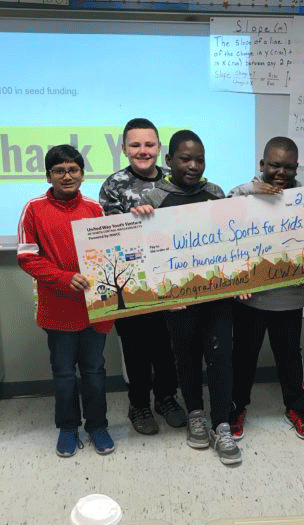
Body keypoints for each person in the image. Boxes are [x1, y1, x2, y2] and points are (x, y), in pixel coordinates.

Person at [131, 130, 241, 466]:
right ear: (169, 161)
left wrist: (239, 278)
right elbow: (143, 252)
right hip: (177, 300)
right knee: (187, 357)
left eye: (199, 159)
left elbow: (231, 240)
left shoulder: (216, 193)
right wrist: (139, 220)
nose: (193, 166)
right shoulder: (154, 197)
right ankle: (195, 414)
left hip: (218, 296)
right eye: (185, 159)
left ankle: (222, 423)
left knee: (221, 358)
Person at [17, 144, 115, 457]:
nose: (67, 175)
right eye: (59, 170)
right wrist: (63, 277)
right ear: (49, 176)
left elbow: (109, 254)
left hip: (94, 310)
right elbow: (27, 257)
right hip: (57, 310)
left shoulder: (95, 209)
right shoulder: (33, 209)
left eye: (73, 169)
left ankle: (98, 425)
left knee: (95, 372)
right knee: (62, 374)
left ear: (83, 174)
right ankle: (68, 427)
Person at [99, 118, 186, 435]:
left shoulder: (174, 179)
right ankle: (139, 405)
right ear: (124, 148)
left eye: (149, 144)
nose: (143, 151)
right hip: (131, 284)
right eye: (135, 145)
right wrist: (134, 221)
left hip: (170, 282)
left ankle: (166, 398)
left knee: (168, 348)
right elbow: (108, 238)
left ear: (159, 147)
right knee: (135, 350)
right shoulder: (113, 185)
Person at [227, 136, 304, 441]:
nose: (281, 172)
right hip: (249, 297)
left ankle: (297, 408)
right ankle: (236, 408)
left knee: (290, 356)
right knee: (243, 357)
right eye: (275, 165)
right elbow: (219, 221)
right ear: (262, 165)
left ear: (296, 168)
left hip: (289, 296)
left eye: (288, 166)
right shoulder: (244, 195)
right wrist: (249, 190)